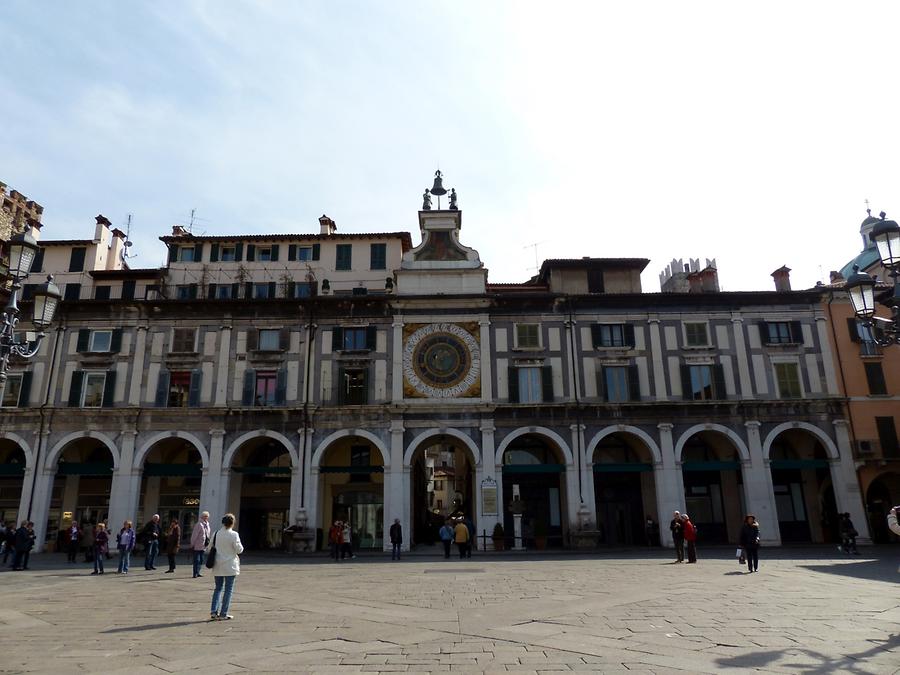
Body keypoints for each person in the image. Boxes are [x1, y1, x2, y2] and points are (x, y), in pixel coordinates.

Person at [207, 513, 244, 621]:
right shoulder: (234, 534)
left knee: (218, 589)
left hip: (218, 565)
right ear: (232, 523)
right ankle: (223, 613)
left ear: (223, 522)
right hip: (230, 565)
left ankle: (214, 612)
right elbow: (239, 550)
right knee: (228, 590)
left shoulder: (216, 533)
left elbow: (209, 547)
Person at [191, 511, 211, 578]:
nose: (206, 518)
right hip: (197, 545)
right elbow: (194, 535)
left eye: (207, 516)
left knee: (201, 559)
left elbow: (208, 534)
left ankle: (198, 572)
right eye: (205, 516)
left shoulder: (207, 524)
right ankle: (195, 573)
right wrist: (192, 543)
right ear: (202, 517)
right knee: (197, 560)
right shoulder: (199, 524)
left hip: (203, 545)